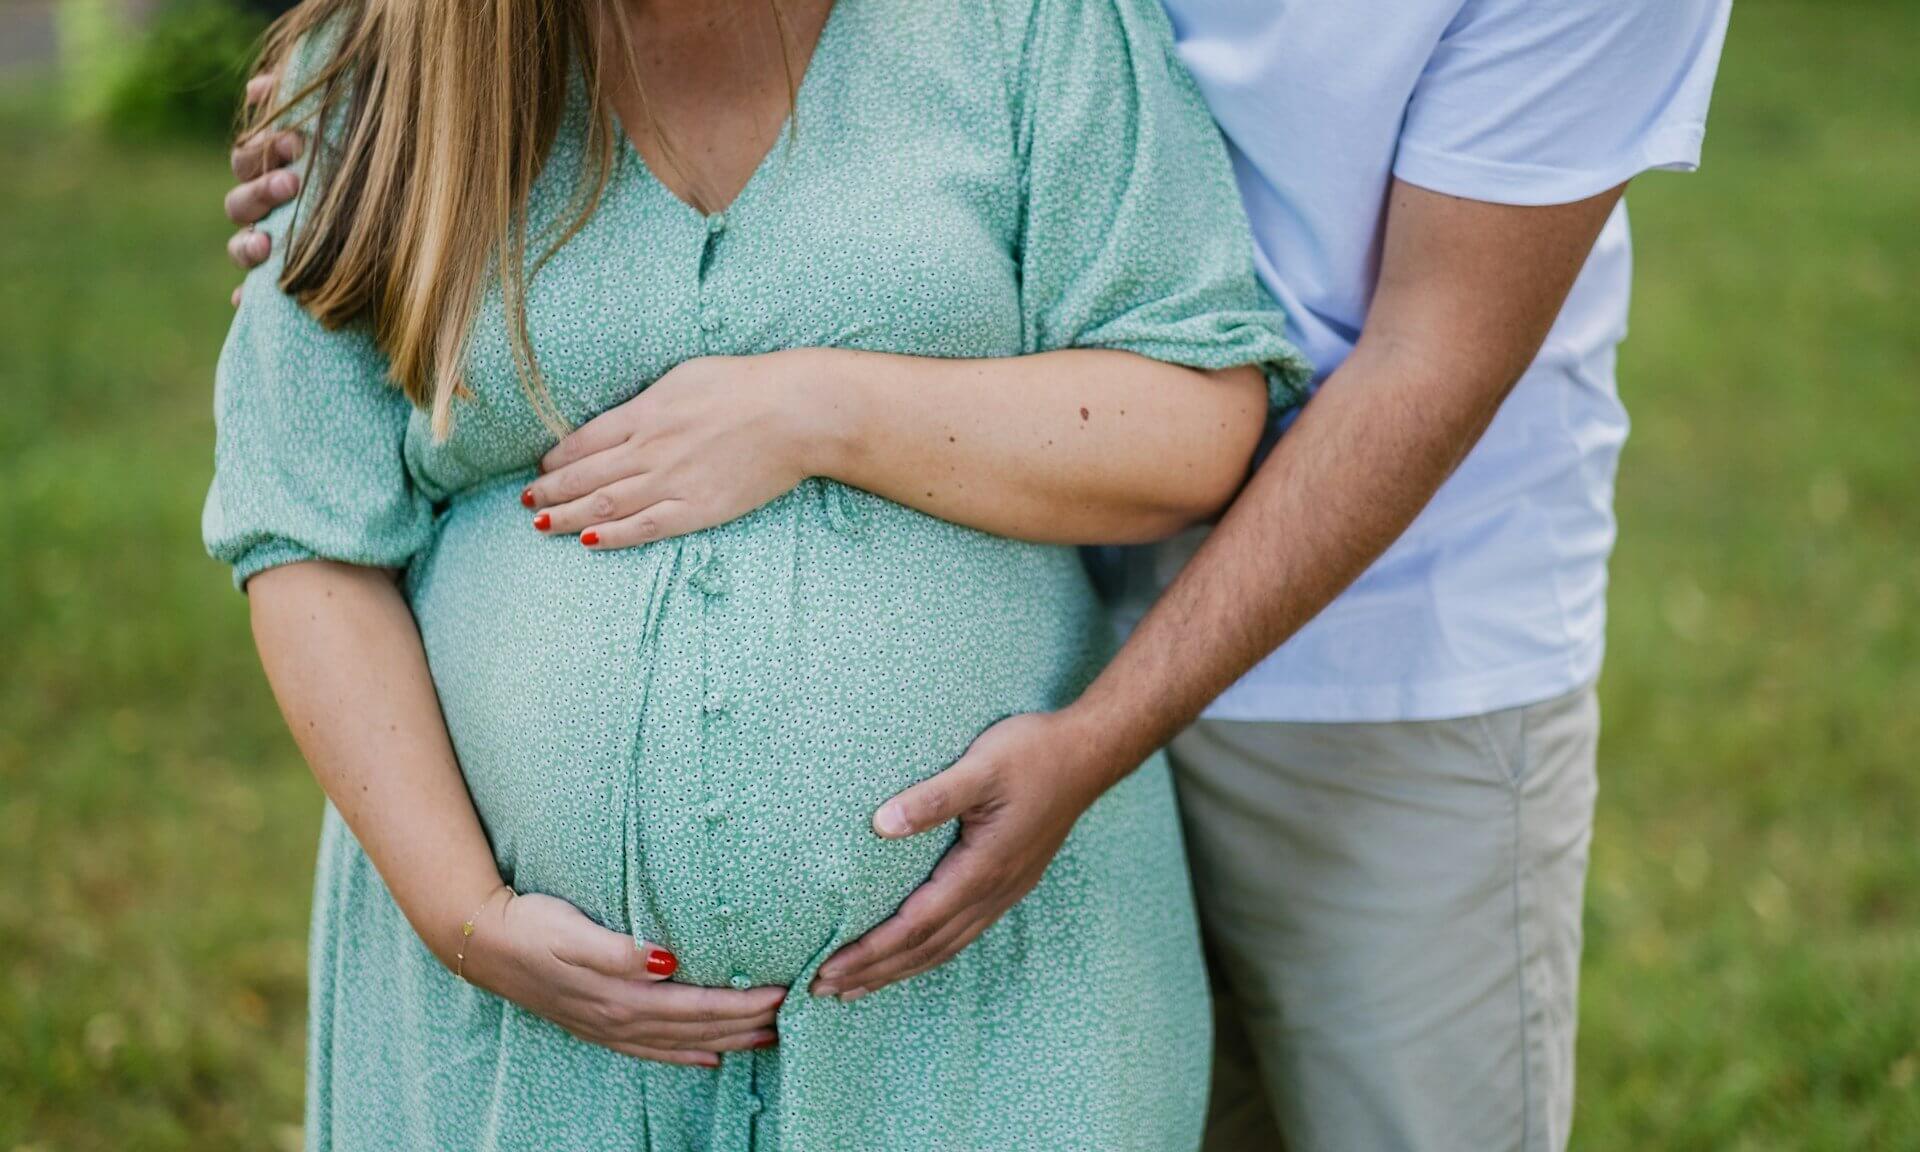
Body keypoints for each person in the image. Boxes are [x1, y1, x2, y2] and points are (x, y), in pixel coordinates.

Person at [205, 0, 1306, 1149]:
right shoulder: (384, 69)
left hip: (995, 1008)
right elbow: (304, 527)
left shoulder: (1028, 23)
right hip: (522, 1042)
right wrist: (464, 914)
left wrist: (823, 413)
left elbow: (1189, 421)